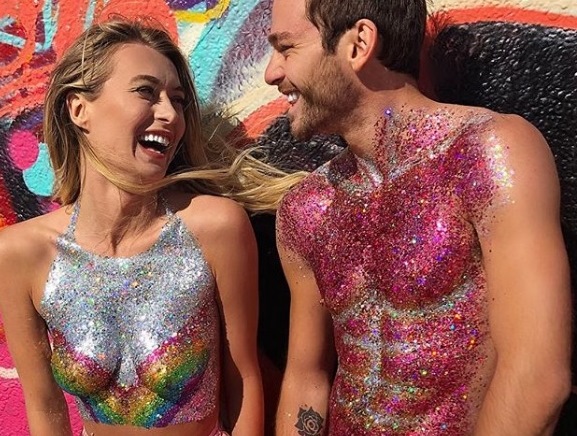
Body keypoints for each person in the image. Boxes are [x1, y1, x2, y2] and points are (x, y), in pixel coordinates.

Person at [265, 0, 573, 434]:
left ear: (358, 44)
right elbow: (306, 379)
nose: (271, 73)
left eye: (287, 48)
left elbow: (536, 375)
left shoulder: (487, 152)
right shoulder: (307, 207)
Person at [0, 17, 298, 436]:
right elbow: (45, 404)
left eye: (177, 100)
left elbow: (242, 378)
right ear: (79, 109)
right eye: (146, 92)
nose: (170, 114)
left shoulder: (215, 227)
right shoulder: (20, 252)